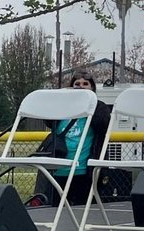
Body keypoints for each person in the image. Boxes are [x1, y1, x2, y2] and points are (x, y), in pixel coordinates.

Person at [30, 73, 114, 207]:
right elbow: (48, 120)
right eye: (77, 84)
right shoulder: (63, 107)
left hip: (84, 170)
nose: (81, 87)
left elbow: (103, 124)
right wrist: (62, 99)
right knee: (55, 208)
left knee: (82, 208)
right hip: (59, 169)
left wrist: (89, 104)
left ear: (92, 88)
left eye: (85, 84)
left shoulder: (99, 108)